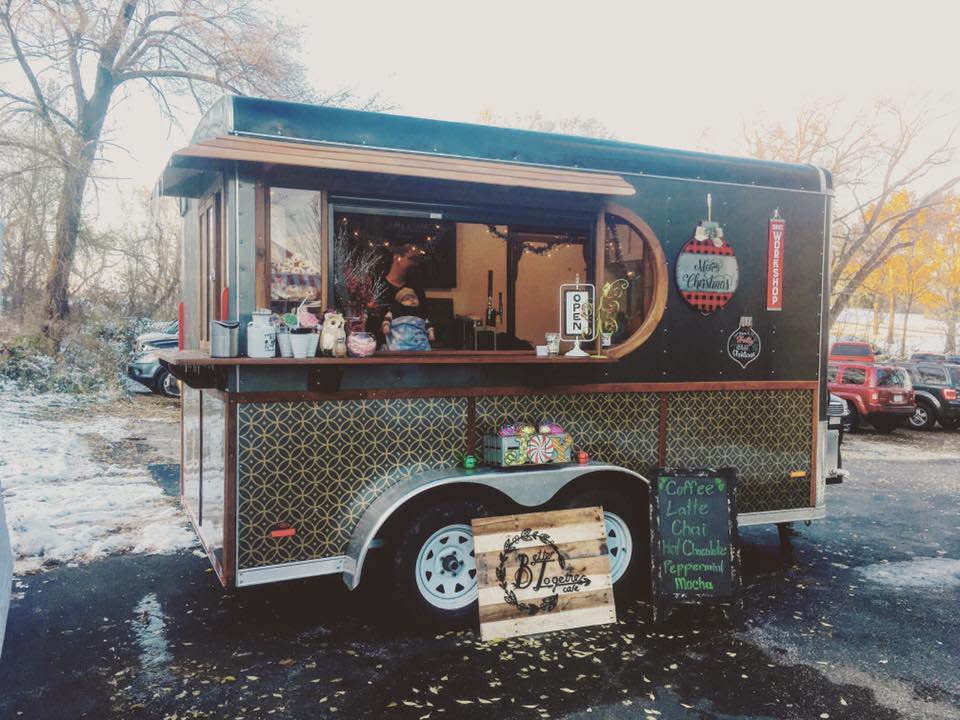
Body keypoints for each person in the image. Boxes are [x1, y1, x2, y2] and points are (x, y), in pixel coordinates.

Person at [375, 241, 435, 351]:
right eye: (412, 259)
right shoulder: (378, 286)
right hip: (386, 349)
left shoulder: (416, 288)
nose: (415, 264)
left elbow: (424, 316)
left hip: (415, 347)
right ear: (396, 257)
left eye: (417, 260)